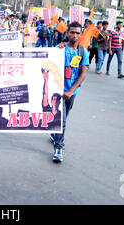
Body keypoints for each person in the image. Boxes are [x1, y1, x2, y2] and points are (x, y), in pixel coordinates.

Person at [51, 22, 89, 163]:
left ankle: (54, 134)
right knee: (62, 120)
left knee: (65, 116)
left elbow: (83, 74)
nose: (74, 35)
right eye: (72, 32)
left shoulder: (82, 52)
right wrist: (57, 50)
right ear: (67, 33)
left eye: (77, 33)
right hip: (58, 91)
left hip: (72, 92)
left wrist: (71, 90)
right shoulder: (60, 49)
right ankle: (59, 148)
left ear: (81, 34)